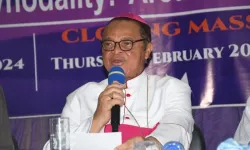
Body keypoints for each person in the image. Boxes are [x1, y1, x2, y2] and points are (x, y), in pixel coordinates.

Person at [43, 13, 194, 150]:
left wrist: (145, 146)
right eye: (108, 44)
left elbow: (178, 127)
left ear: (147, 50)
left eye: (126, 43)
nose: (115, 51)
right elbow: (54, 147)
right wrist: (96, 121)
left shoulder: (171, 88)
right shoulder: (82, 95)